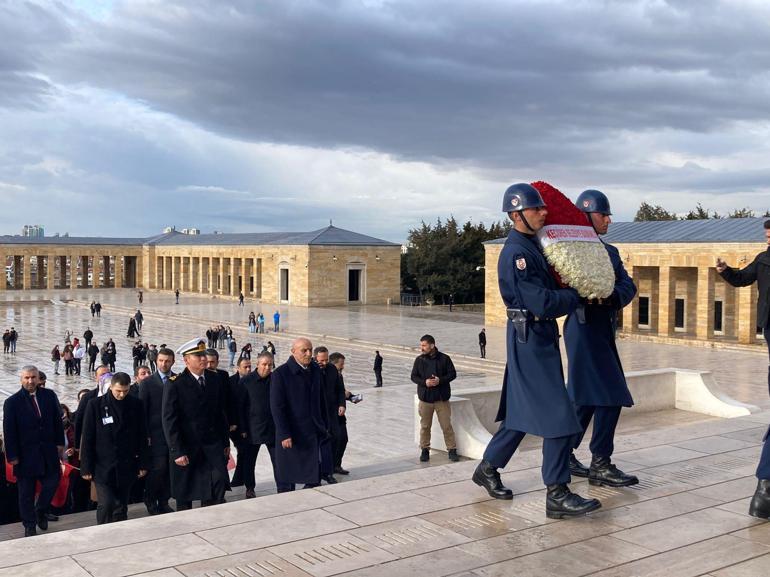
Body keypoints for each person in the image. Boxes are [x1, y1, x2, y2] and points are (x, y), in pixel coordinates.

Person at [472, 182, 601, 519]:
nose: (544, 212)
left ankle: (487, 468)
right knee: (562, 417)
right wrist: (576, 294)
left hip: (533, 338)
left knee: (518, 415)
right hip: (531, 337)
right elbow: (541, 302)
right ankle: (557, 493)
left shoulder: (533, 245)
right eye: (535, 209)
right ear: (516, 215)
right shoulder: (517, 254)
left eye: (542, 207)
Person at [564, 189, 639, 488]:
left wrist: (609, 297)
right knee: (611, 395)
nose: (608, 219)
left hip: (602, 326)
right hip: (582, 328)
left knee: (585, 398)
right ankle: (601, 463)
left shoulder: (610, 252)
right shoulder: (568, 251)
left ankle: (565, 453)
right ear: (585, 216)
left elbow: (628, 285)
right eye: (602, 214)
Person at [717, 219, 770, 518]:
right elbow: (742, 279)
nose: (768, 240)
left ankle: (765, 491)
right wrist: (726, 272)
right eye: (767, 236)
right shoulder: (763, 259)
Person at [162, 339, 230, 510]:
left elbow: (220, 413)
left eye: (203, 354)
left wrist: (225, 442)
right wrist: (177, 450)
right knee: (185, 494)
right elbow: (169, 420)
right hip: (187, 447)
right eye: (198, 355)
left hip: (212, 445)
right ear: (186, 360)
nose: (203, 359)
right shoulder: (175, 383)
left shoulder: (214, 379)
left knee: (217, 484)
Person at [2, 365, 65, 537]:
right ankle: (29, 524)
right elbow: (9, 430)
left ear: (38, 379)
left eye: (33, 378)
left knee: (53, 482)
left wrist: (60, 442)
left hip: (48, 451)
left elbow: (57, 421)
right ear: (21, 379)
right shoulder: (12, 402)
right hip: (25, 455)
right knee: (26, 493)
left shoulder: (49, 396)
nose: (30, 381)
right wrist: (12, 455)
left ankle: (41, 510)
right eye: (27, 378)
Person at [79, 372, 149, 524]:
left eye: (125, 391)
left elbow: (142, 436)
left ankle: (120, 531)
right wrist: (85, 467)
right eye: (118, 391)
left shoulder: (136, 404)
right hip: (103, 465)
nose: (122, 394)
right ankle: (103, 529)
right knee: (107, 502)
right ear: (111, 387)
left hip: (126, 464)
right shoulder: (95, 405)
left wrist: (143, 463)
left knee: (121, 504)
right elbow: (88, 438)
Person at [270, 337, 329, 492]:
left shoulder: (315, 370)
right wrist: (284, 433)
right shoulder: (280, 374)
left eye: (310, 350)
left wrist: (324, 424)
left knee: (313, 472)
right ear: (293, 351)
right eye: (304, 350)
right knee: (288, 473)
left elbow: (321, 399)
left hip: (312, 428)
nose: (309, 353)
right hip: (292, 431)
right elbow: (277, 407)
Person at [138, 347, 176, 515]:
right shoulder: (147, 383)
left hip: (173, 434)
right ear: (156, 361)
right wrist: (145, 435)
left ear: (173, 362)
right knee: (158, 469)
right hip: (155, 435)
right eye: (161, 360)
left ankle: (164, 500)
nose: (163, 364)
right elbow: (143, 410)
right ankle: (150, 499)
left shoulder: (177, 379)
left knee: (170, 469)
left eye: (167, 361)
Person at [411, 335, 458, 462]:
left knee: (446, 426)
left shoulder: (444, 358)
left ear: (432, 345)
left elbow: (452, 374)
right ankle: (425, 449)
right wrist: (424, 382)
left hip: (441, 400)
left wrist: (440, 380)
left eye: (424, 345)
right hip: (425, 400)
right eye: (421, 345)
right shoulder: (419, 360)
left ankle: (452, 450)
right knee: (425, 426)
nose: (422, 348)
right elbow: (413, 377)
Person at [314, 346, 345, 485]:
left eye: (326, 360)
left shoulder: (332, 370)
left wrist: (342, 404)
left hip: (332, 413)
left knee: (335, 439)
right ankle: (316, 474)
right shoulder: (311, 371)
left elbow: (339, 389)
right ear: (315, 359)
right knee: (318, 446)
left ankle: (329, 471)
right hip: (317, 414)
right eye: (321, 360)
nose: (325, 363)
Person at [227, 356, 252, 489]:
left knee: (243, 452)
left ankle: (239, 478)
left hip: (246, 425)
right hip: (233, 424)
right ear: (238, 368)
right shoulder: (230, 382)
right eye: (245, 367)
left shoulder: (253, 380)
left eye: (250, 366)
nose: (248, 369)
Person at [330, 352, 355, 475]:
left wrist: (348, 397)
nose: (343, 366)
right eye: (341, 364)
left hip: (339, 414)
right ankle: (330, 466)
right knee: (333, 441)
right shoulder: (325, 375)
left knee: (343, 439)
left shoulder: (339, 375)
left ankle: (336, 465)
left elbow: (340, 392)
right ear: (334, 364)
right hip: (329, 414)